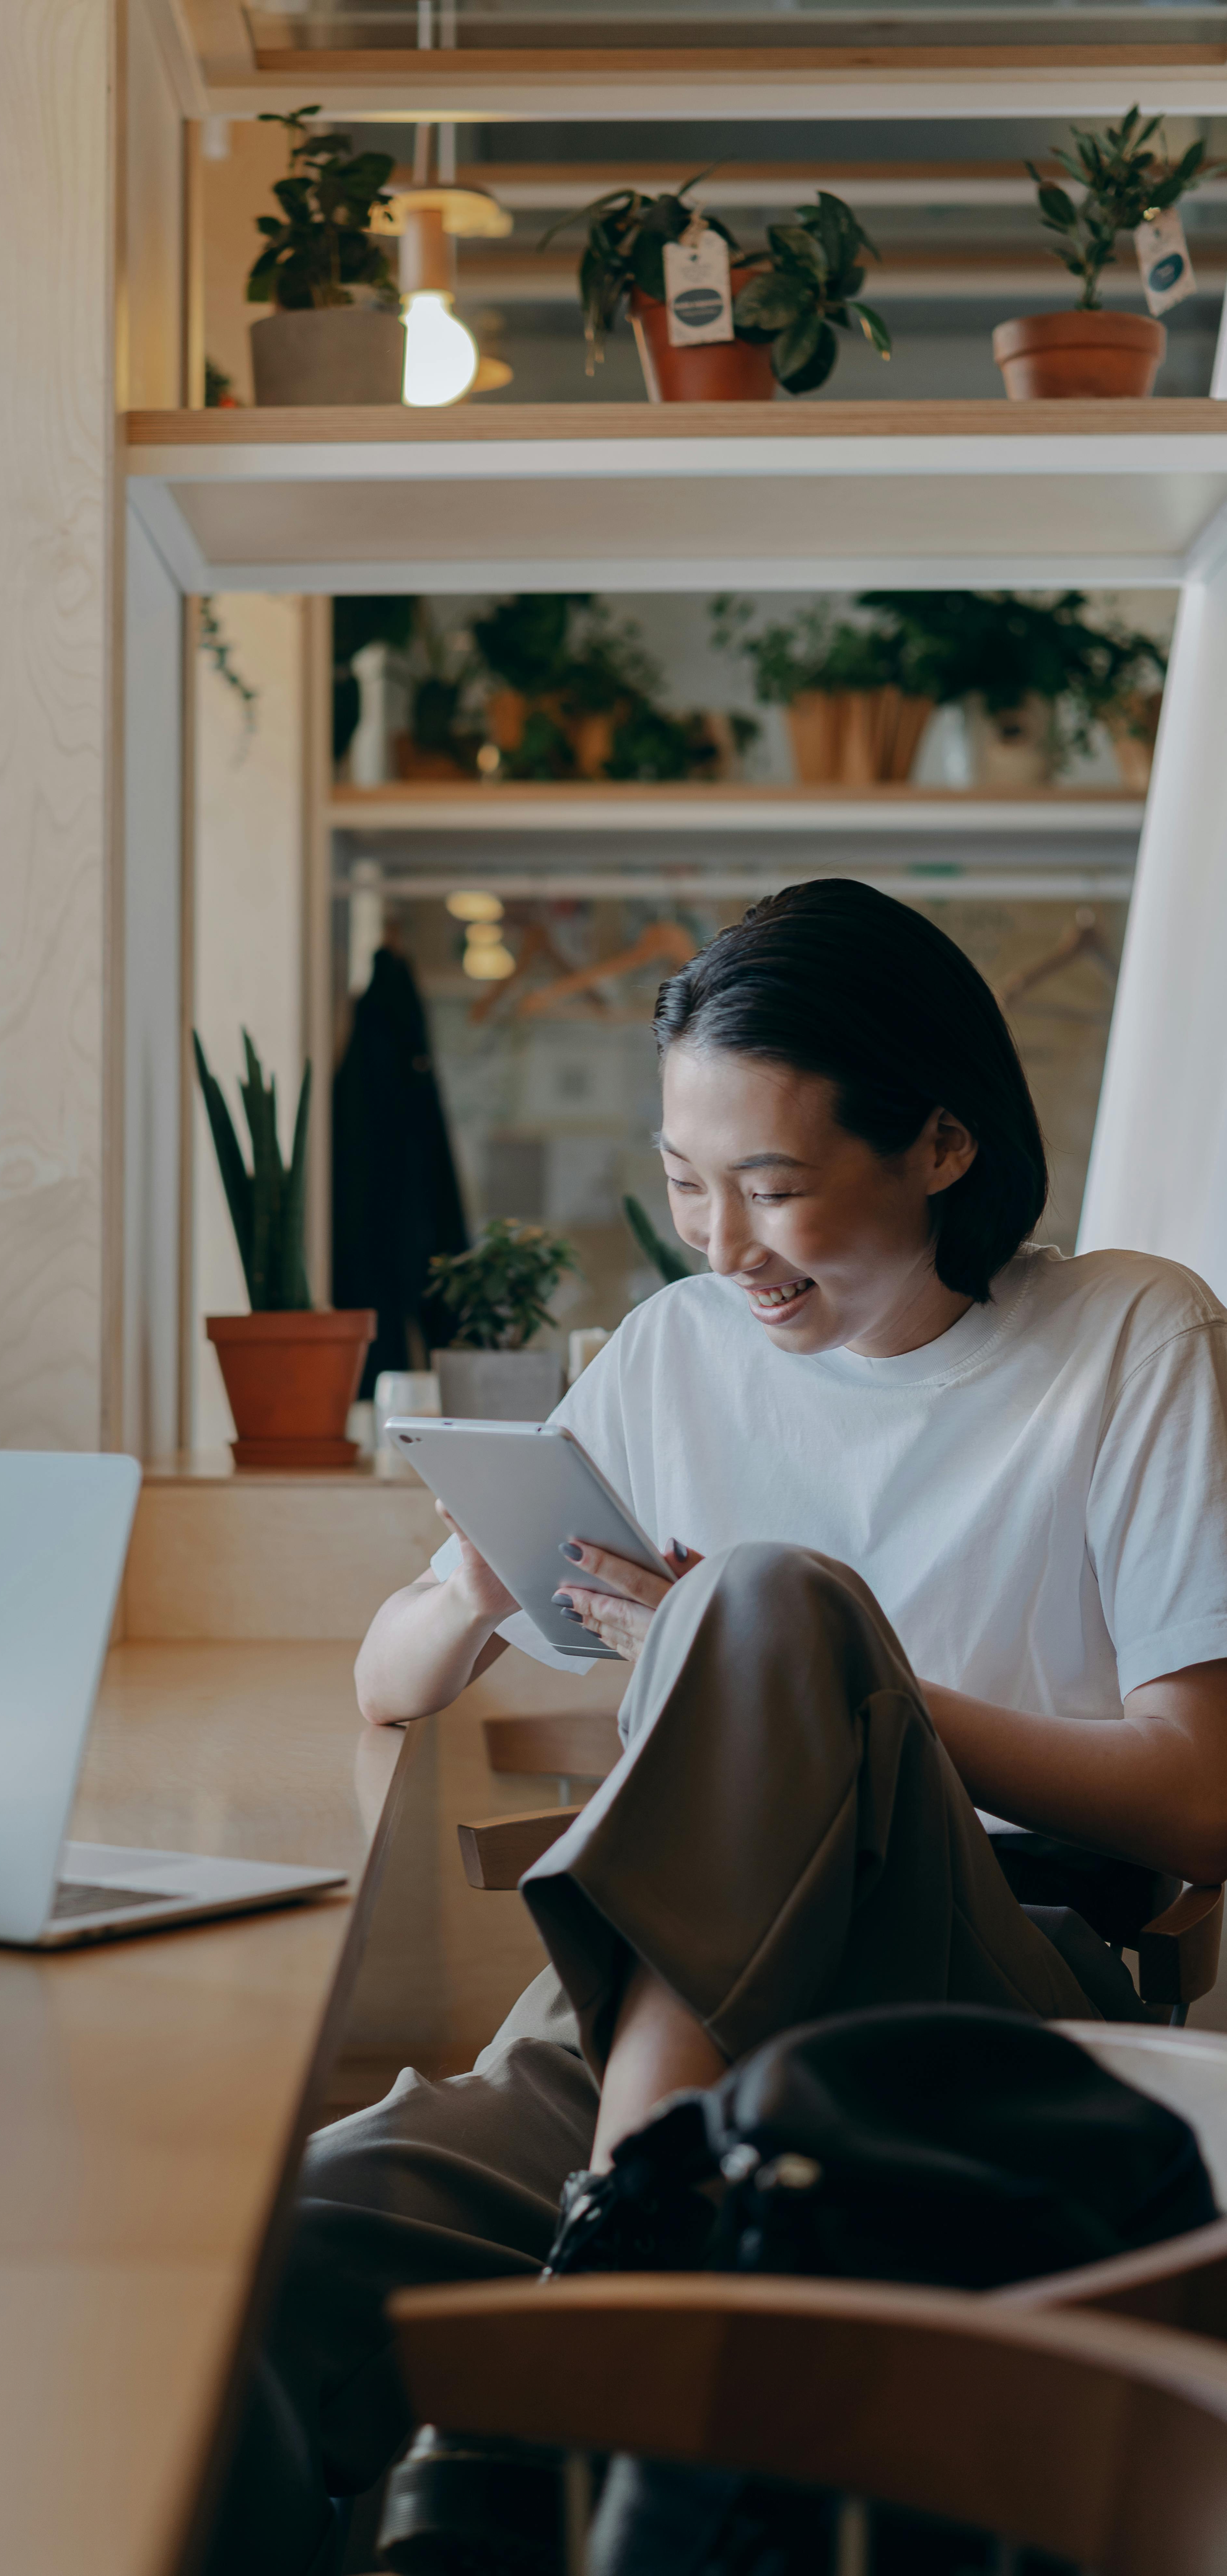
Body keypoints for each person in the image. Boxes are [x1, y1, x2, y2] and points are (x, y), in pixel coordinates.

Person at [204, 879, 1227, 2576]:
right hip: (627, 2008)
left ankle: (620, 2257)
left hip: (962, 1998)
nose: (720, 1243)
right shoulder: (669, 1358)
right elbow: (389, 1685)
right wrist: (472, 1579)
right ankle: (638, 2216)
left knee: (764, 1597)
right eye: (688, 1184)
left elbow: (1199, 1805)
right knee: (260, 2264)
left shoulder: (1127, 1341)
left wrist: (834, 1675)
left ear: (941, 1149)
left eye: (772, 1185)